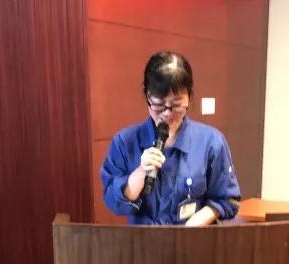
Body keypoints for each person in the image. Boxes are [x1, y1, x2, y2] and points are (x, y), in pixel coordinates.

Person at [101, 51, 241, 226]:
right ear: (147, 96)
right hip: (142, 241)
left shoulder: (212, 142)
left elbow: (228, 200)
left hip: (192, 239)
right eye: (159, 105)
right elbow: (113, 202)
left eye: (176, 105)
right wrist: (141, 172)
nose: (167, 114)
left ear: (189, 96)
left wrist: (190, 227)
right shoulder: (124, 142)